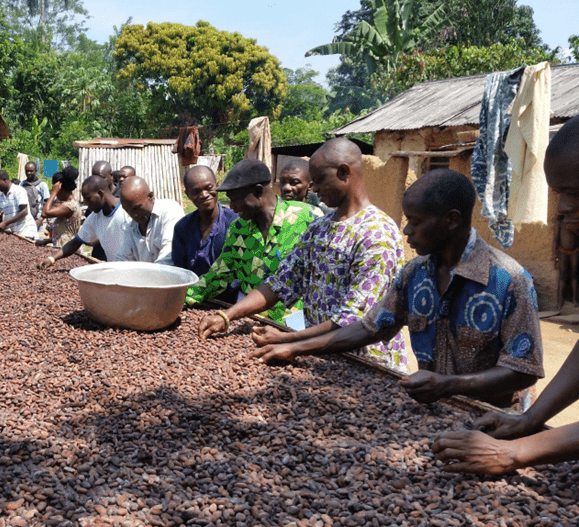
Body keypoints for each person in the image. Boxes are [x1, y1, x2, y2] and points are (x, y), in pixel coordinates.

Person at [251, 169, 543, 409]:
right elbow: (369, 328)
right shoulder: (416, 274)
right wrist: (294, 347)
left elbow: (522, 371)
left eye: (415, 222)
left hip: (495, 415)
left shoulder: (509, 281)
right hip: (435, 407)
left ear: (451, 220)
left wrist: (448, 385)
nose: (406, 231)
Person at [430, 115, 579, 475]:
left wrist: (516, 453)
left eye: (577, 194)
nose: (562, 209)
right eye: (559, 195)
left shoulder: (507, 278)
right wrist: (530, 420)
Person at [199, 139, 409, 373]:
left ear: (343, 172)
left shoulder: (377, 233)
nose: (314, 189)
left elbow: (354, 323)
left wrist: (290, 340)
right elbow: (279, 284)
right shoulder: (319, 228)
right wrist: (226, 316)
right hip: (320, 358)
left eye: (319, 180)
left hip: (366, 365)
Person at [184, 160, 319, 321]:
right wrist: (177, 299)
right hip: (254, 321)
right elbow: (218, 275)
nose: (232, 207)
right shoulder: (238, 229)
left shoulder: (308, 218)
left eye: (236, 200)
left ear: (258, 191)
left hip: (298, 323)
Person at [38, 175, 131, 268]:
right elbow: (75, 242)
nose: (86, 204)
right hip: (116, 270)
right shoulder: (95, 217)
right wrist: (52, 259)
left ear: (100, 194)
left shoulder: (128, 210)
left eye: (88, 199)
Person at [172, 165, 239, 280]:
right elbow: (180, 271)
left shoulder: (235, 222)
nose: (204, 195)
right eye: (196, 192)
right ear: (188, 194)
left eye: (209, 188)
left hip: (229, 295)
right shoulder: (182, 228)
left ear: (217, 186)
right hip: (193, 293)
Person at [116, 176, 185, 265]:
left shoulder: (170, 211)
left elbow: (168, 254)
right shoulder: (131, 225)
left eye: (137, 208)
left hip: (172, 276)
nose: (133, 215)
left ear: (151, 197)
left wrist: (152, 276)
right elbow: (123, 257)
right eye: (127, 210)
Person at [39, 166, 83, 247]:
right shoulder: (68, 204)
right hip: (64, 248)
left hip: (67, 250)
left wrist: (53, 193)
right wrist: (48, 241)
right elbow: (64, 233)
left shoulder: (70, 206)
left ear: (60, 189)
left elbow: (44, 213)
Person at [90, 161, 114, 259]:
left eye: (101, 177)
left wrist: (100, 238)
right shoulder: (94, 196)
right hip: (98, 253)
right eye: (94, 177)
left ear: (111, 176)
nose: (97, 181)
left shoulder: (121, 197)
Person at [21, 162, 50, 228]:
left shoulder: (42, 184)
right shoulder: (22, 184)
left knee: (37, 237)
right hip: (24, 218)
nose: (29, 173)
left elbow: (47, 202)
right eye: (27, 171)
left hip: (37, 219)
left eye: (31, 171)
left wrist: (41, 219)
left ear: (36, 171)